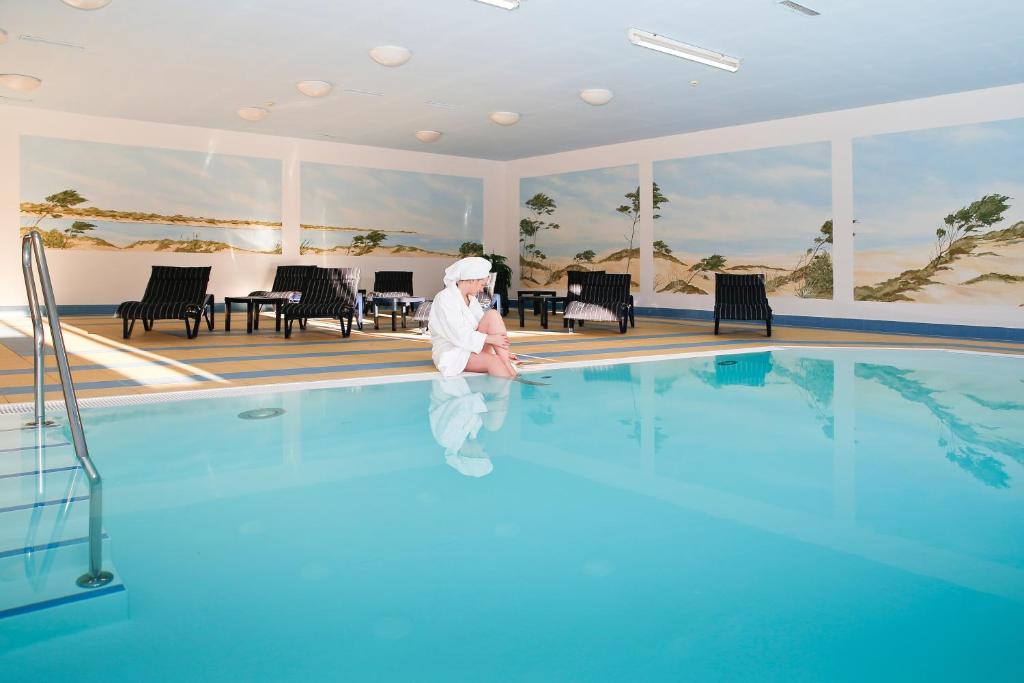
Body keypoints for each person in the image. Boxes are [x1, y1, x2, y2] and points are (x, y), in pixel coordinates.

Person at [428, 256, 517, 378]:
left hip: (472, 346)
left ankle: (505, 359)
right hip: (453, 351)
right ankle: (510, 377)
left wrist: (501, 351)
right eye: (482, 285)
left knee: (492, 314)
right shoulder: (445, 298)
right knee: (495, 362)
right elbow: (457, 334)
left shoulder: (472, 300)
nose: (482, 290)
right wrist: (490, 339)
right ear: (471, 280)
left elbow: (485, 326)